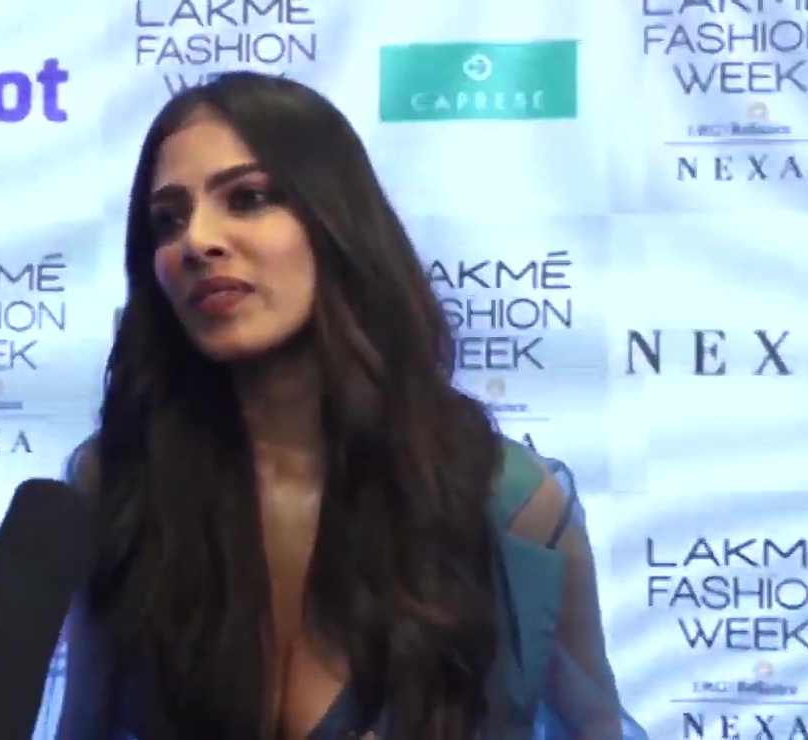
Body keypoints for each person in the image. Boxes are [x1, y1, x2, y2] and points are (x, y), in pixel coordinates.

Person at [55, 72, 646, 739]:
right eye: (168, 219)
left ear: (335, 220)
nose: (197, 241)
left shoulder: (507, 502)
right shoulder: (116, 485)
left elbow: (596, 728)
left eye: (247, 198)